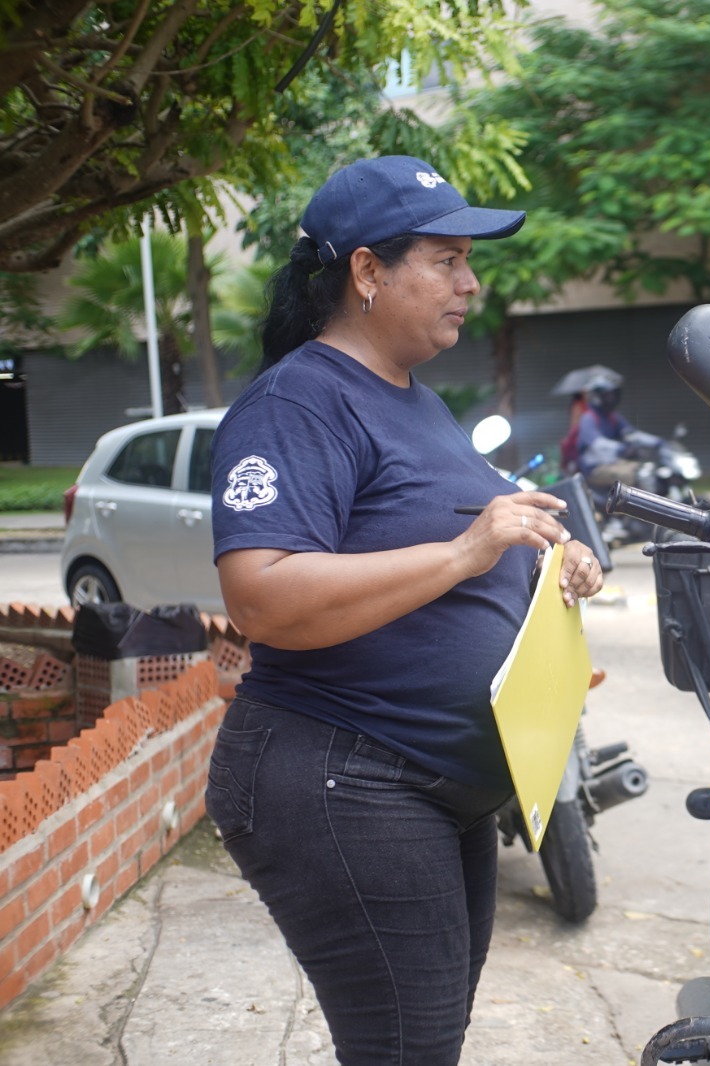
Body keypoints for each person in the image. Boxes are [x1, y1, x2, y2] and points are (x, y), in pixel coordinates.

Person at [204, 155, 605, 1065]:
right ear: (368, 272)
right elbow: (262, 595)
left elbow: (486, 525)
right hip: (344, 774)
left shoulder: (418, 404)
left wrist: (554, 550)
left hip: (433, 787)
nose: (471, 283)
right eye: (449, 259)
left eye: (471, 261)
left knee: (423, 1042)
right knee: (405, 1049)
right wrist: (468, 552)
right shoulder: (297, 401)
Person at [574, 371, 660, 491]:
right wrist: (621, 448)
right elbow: (597, 444)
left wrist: (657, 442)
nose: (613, 398)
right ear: (598, 396)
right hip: (595, 468)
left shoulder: (612, 417)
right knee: (641, 476)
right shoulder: (588, 417)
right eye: (608, 395)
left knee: (651, 470)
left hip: (613, 462)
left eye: (614, 394)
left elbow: (631, 434)